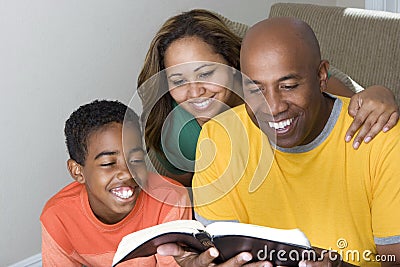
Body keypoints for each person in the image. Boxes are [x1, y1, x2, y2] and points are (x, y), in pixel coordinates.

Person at [158, 17, 400, 266]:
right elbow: (223, 252)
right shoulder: (215, 137)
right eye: (256, 88)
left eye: (289, 86)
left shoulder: (378, 133)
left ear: (321, 76)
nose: (272, 106)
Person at [137, 9, 399, 187]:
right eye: (178, 80)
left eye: (206, 73)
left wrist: (379, 94)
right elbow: (184, 193)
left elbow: (345, 101)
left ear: (232, 62)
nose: (195, 92)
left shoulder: (272, 83)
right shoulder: (177, 133)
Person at [40, 100, 191, 266]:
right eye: (108, 163)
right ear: (77, 171)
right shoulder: (57, 217)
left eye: (136, 159)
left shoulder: (170, 199)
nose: (127, 173)